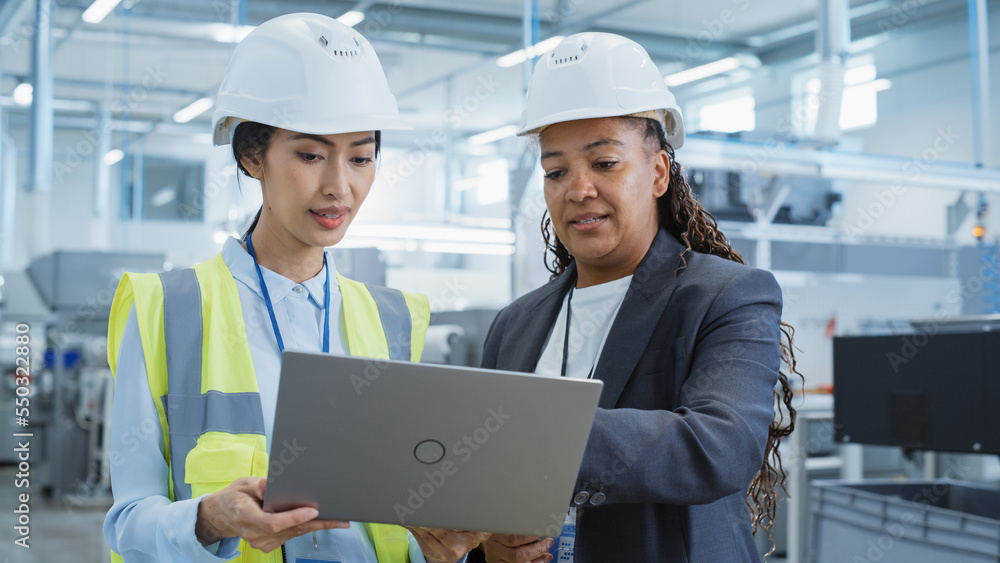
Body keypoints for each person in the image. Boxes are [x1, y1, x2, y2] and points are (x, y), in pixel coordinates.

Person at [103, 13, 489, 563]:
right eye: (310, 155)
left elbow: (397, 524)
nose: (339, 187)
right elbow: (127, 523)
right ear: (252, 156)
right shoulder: (165, 309)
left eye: (360, 158)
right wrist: (210, 519)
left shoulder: (395, 319)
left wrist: (438, 548)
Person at [470, 33, 800, 563]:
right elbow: (485, 490)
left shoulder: (725, 296)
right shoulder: (516, 323)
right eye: (556, 172)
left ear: (658, 174)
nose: (577, 189)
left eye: (604, 164)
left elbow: (719, 446)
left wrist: (529, 434)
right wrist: (490, 544)